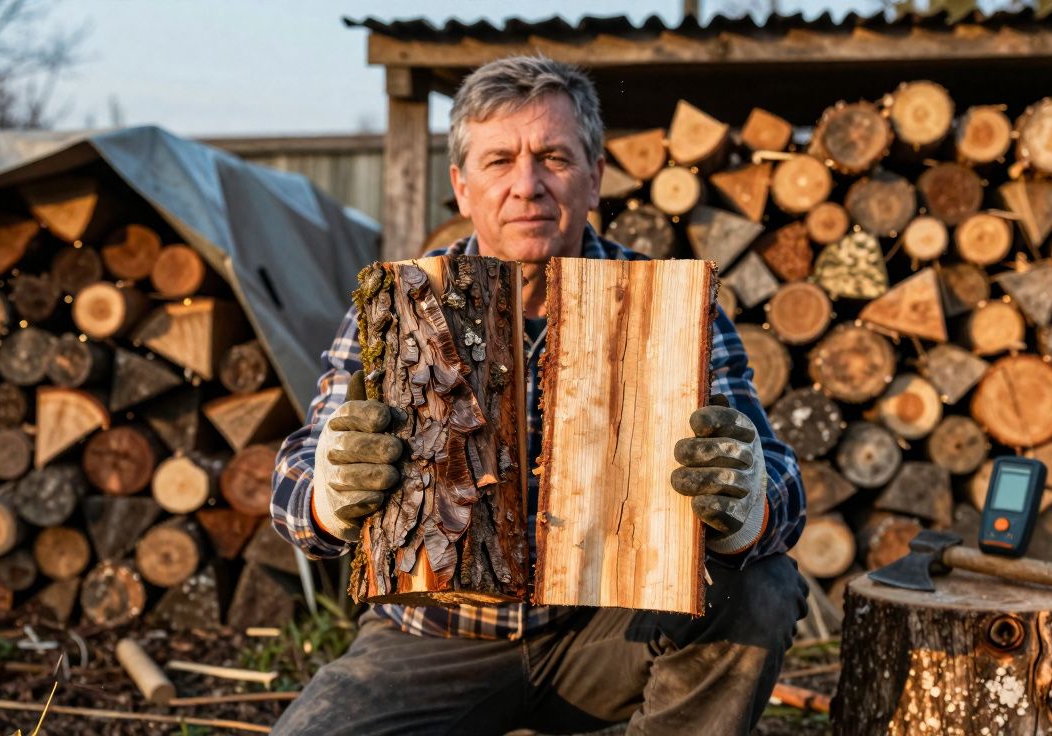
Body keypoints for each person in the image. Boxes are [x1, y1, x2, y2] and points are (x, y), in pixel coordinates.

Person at [270, 55, 807, 736]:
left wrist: (750, 504)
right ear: (461, 187)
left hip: (613, 630)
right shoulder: (406, 304)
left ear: (595, 177)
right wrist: (328, 490)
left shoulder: (668, 306)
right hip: (435, 637)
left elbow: (785, 484)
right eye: (499, 161)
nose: (527, 186)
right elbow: (293, 481)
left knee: (761, 584)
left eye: (552, 156)